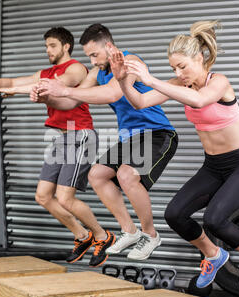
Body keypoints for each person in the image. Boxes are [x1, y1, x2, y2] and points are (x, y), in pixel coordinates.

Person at [108, 20, 239, 297]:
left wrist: (150, 79)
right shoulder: (175, 84)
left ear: (199, 57)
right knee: (175, 214)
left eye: (182, 66)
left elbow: (199, 101)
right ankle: (212, 254)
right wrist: (122, 79)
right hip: (213, 166)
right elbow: (139, 102)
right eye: (173, 68)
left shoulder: (219, 82)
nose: (178, 73)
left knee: (215, 219)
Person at [31, 23, 178, 261]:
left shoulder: (129, 62)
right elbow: (70, 103)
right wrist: (45, 97)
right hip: (129, 137)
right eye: (89, 56)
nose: (92, 61)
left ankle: (150, 235)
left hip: (157, 132)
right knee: (97, 174)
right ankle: (129, 231)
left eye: (94, 54)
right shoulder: (97, 71)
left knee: (126, 175)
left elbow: (112, 93)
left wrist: (66, 91)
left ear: (108, 46)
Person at [0, 27, 113, 267]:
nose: (47, 50)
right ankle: (82, 235)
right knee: (43, 196)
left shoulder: (76, 68)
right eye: (46, 46)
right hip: (60, 138)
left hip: (80, 135)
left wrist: (16, 90)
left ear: (65, 46)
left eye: (52, 45)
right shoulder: (46, 71)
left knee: (65, 198)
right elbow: (15, 80)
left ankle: (102, 236)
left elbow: (56, 85)